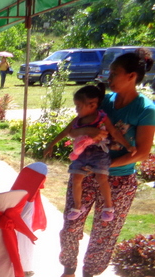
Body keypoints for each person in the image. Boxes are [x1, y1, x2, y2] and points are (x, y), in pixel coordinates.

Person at [48, 48, 155, 277]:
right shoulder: (102, 101)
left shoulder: (145, 109)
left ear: (131, 76)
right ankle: (68, 272)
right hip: (85, 174)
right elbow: (76, 126)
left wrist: (104, 168)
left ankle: (89, 276)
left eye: (114, 72)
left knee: (104, 230)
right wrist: (76, 139)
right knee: (72, 223)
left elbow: (141, 153)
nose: (109, 76)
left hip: (118, 180)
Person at [44, 84, 136, 222]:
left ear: (92, 105)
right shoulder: (77, 121)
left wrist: (128, 145)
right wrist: (51, 144)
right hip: (82, 154)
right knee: (76, 179)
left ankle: (108, 207)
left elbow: (114, 132)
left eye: (79, 106)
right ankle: (77, 206)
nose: (76, 109)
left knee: (101, 178)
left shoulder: (101, 117)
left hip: (98, 153)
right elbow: (65, 132)